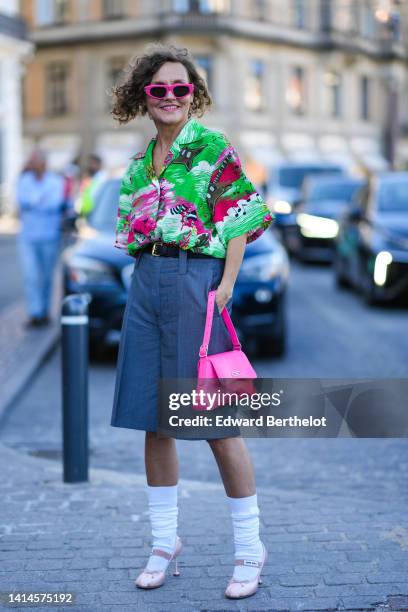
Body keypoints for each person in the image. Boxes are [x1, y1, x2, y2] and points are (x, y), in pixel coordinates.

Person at [109, 43, 275, 599]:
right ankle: (164, 542)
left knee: (216, 420)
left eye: (181, 88)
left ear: (193, 93)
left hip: (194, 281)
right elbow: (129, 229)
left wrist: (225, 285)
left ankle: (250, 549)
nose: (171, 97)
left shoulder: (212, 146)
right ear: (144, 96)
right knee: (154, 419)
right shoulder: (140, 162)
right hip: (146, 285)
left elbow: (242, 218)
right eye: (159, 89)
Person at [16, 149, 65, 327]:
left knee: (46, 276)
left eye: (35, 160)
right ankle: (34, 312)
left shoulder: (55, 181)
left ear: (43, 163)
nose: (32, 164)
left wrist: (34, 202)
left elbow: (54, 204)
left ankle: (44, 311)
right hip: (28, 236)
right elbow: (22, 202)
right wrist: (39, 201)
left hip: (49, 235)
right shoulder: (24, 180)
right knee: (30, 275)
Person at [75, 153, 107, 218]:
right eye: (89, 163)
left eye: (92, 163)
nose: (90, 166)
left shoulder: (102, 178)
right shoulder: (90, 178)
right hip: (85, 213)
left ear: (98, 164)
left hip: (96, 214)